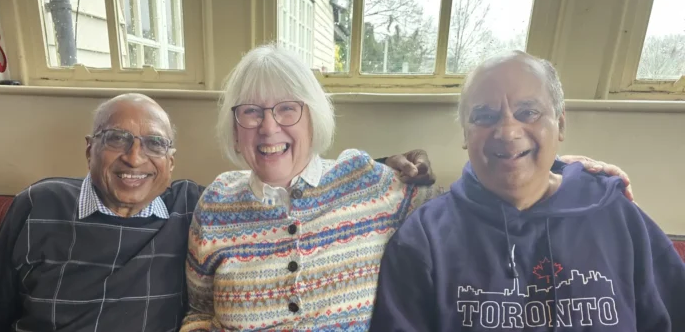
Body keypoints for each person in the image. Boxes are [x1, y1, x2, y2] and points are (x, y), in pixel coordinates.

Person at [181, 45, 634, 331]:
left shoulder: (371, 185)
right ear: (234, 126)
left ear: (313, 116)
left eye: (286, 109)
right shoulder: (215, 203)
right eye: (250, 113)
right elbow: (199, 311)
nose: (268, 127)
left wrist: (558, 171)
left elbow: (477, 198)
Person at [0, 93, 438, 332]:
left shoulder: (197, 209)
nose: (135, 158)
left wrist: (377, 167)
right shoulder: (40, 204)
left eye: (153, 144)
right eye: (116, 140)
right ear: (89, 148)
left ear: (171, 161)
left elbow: (283, 192)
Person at [370, 51, 685, 331]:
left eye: (528, 112)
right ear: (466, 133)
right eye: (484, 115)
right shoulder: (424, 238)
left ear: (560, 125)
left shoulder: (617, 215)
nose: (507, 131)